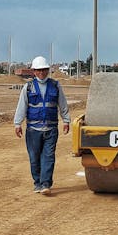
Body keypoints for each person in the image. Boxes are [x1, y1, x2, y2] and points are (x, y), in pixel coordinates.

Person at [14, 56, 70, 195]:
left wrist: (66, 120)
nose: (42, 73)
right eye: (38, 70)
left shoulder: (56, 86)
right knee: (34, 157)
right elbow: (22, 106)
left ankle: (46, 184)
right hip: (33, 130)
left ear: (48, 70)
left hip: (51, 129)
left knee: (48, 156)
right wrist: (17, 123)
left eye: (44, 70)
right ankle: (37, 182)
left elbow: (62, 104)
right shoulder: (28, 87)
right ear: (33, 71)